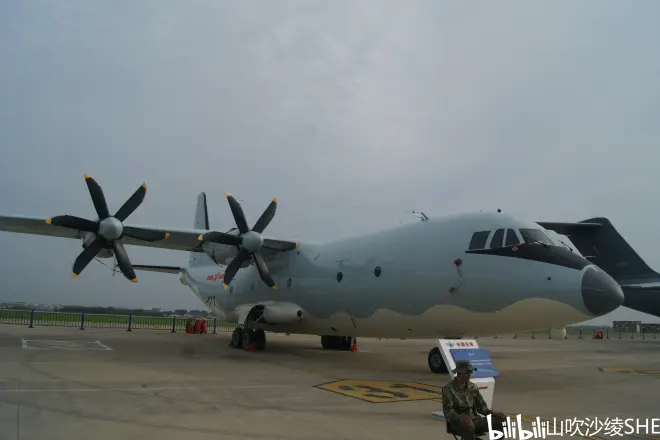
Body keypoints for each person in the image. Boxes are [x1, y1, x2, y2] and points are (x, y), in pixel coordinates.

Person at [442, 360, 506, 440]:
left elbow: (482, 408)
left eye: (471, 372)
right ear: (460, 373)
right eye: (467, 372)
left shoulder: (473, 387)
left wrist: (493, 414)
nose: (470, 374)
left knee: (502, 421)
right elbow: (448, 410)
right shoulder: (449, 389)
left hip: (475, 420)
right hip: (458, 423)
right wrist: (459, 417)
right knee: (469, 427)